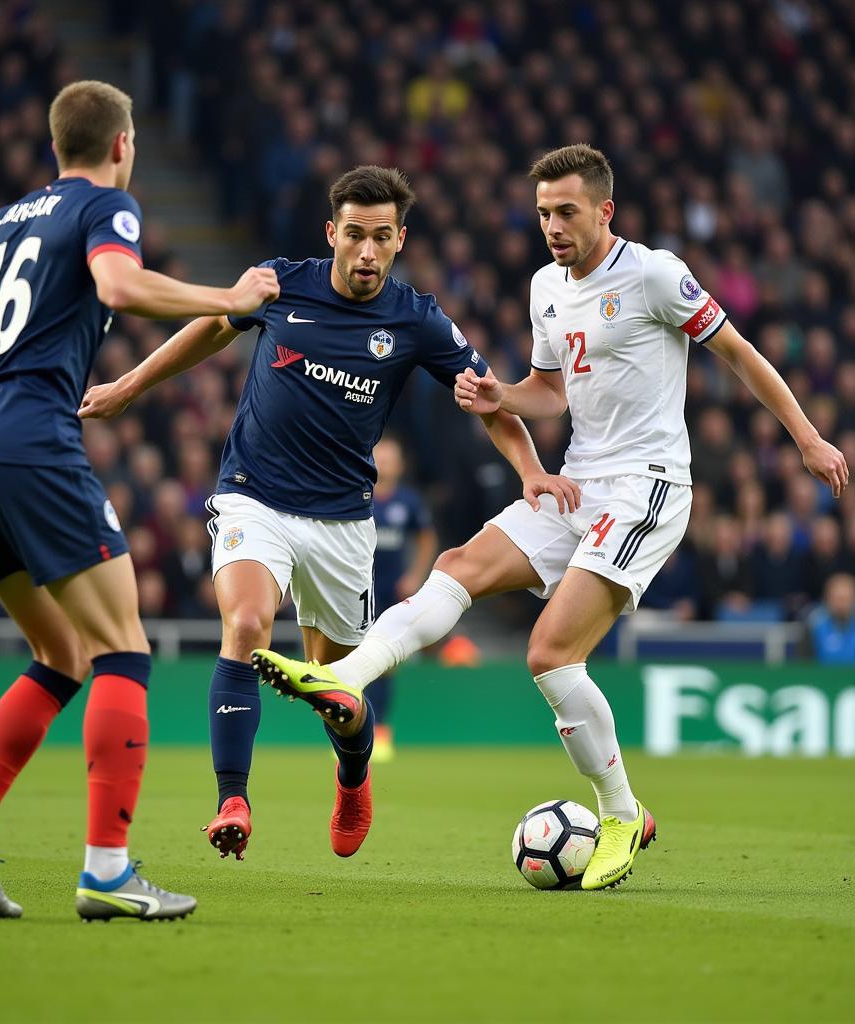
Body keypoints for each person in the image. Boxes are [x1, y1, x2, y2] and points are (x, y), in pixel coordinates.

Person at [253, 144, 849, 891]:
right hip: (577, 482)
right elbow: (549, 393)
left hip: (648, 487)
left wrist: (807, 437)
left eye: (566, 212)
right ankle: (345, 677)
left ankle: (623, 813)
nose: (552, 227)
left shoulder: (655, 274)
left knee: (549, 653)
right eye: (542, 213)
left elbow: (740, 353)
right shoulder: (544, 286)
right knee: (457, 568)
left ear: (604, 210)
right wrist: (500, 396)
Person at [79, 164, 579, 862]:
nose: (367, 252)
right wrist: (130, 385)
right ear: (331, 233)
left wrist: (530, 472)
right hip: (254, 495)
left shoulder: (416, 317)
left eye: (381, 237)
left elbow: (485, 394)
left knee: (339, 694)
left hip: (344, 524)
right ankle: (233, 798)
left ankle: (352, 775)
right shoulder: (282, 284)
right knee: (247, 622)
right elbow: (211, 330)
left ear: (400, 238)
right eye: (354, 236)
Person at [0, 79, 279, 921]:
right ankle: (106, 872)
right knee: (122, 649)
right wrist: (229, 300)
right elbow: (120, 289)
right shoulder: (106, 207)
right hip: (30, 442)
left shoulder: (4, 220)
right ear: (123, 146)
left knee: (60, 653)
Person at [366, 435, 437, 762]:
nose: (385, 464)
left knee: (385, 663)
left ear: (401, 465)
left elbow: (426, 538)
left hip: (392, 593)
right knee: (353, 657)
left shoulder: (407, 501)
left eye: (391, 458)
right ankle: (349, 731)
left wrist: (415, 576)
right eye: (381, 457)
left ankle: (380, 730)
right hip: (358, 591)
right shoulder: (358, 496)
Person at [807, 572, 855, 663]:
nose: (841, 604)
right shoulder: (814, 625)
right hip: (822, 676)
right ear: (827, 599)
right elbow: (804, 663)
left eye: (846, 599)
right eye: (837, 598)